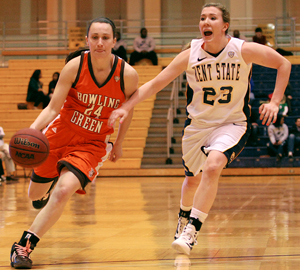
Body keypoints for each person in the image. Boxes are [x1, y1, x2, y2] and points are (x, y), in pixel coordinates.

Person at [108, 3, 291, 256]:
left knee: (214, 165)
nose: (206, 22)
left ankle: (192, 230)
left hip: (232, 124)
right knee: (192, 179)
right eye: (202, 17)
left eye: (212, 18)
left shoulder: (242, 49)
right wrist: (125, 107)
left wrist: (274, 101)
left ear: (224, 25)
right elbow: (154, 84)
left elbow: (284, 64)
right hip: (197, 127)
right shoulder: (190, 54)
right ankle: (183, 217)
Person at [10, 17, 138, 269]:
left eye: (105, 37)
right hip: (59, 135)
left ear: (114, 41)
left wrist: (120, 143)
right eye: (95, 37)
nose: (100, 43)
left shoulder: (127, 75)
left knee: (64, 191)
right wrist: (31, 131)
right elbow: (52, 107)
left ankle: (24, 246)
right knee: (34, 195)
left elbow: (129, 110)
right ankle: (49, 183)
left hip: (92, 143)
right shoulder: (74, 67)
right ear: (88, 40)